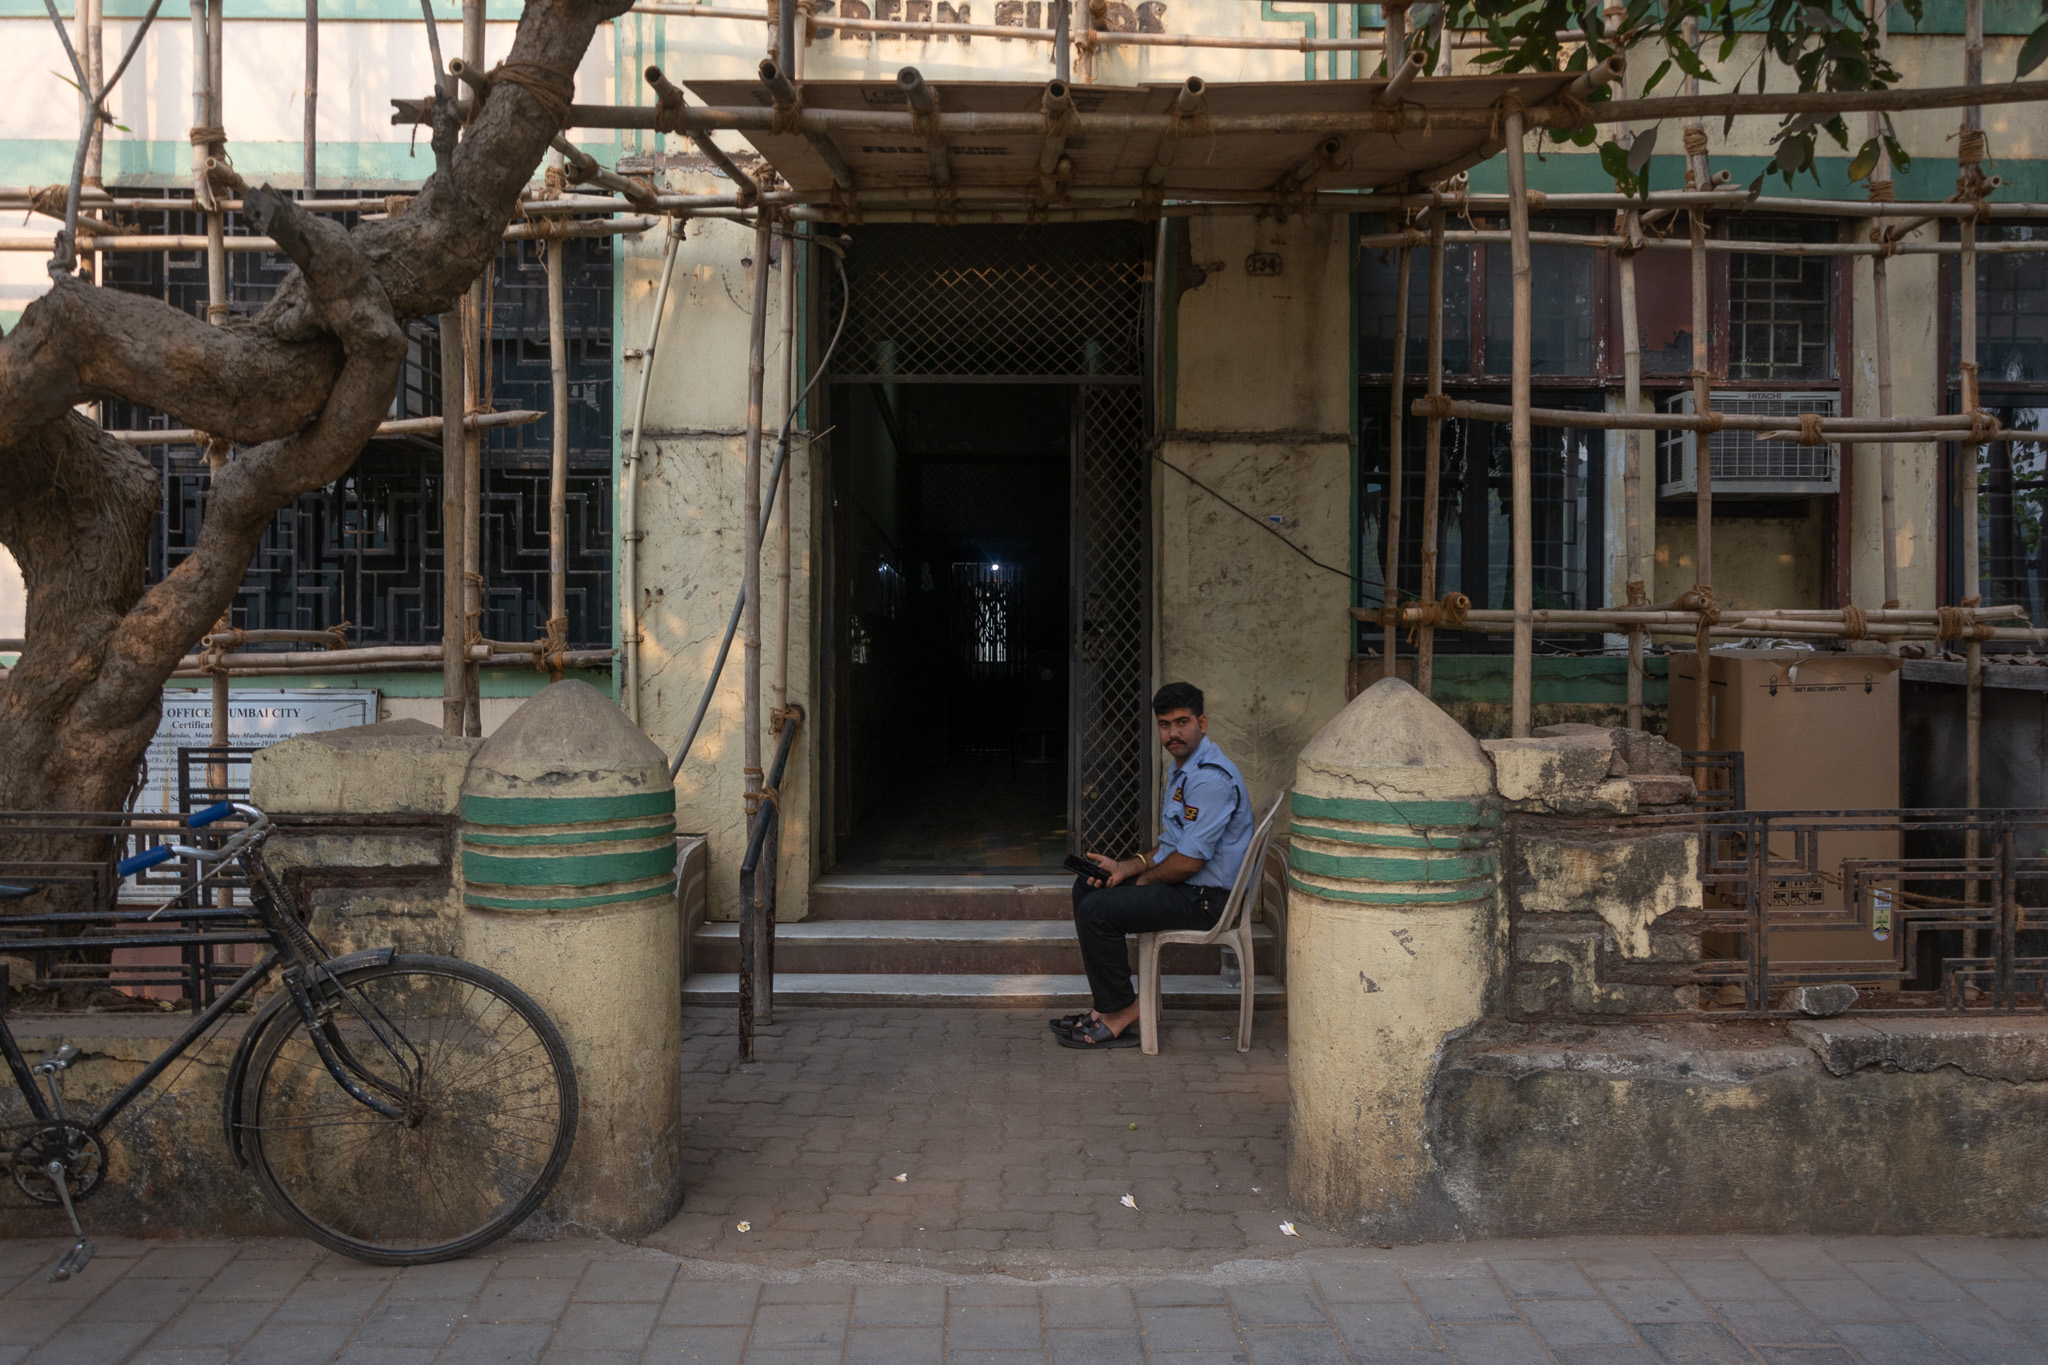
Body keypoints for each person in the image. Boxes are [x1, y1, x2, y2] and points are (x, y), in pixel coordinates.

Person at [1053, 681, 1253, 1049]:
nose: (1173, 733)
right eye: (1164, 724)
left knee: (1098, 911)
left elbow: (1187, 862)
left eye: (1182, 722)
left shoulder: (1210, 779)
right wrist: (1126, 869)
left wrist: (1145, 881)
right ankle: (1107, 1005)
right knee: (1088, 887)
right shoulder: (1184, 770)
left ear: (1202, 723)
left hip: (1206, 900)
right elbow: (1172, 846)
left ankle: (1121, 1012)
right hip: (1187, 887)